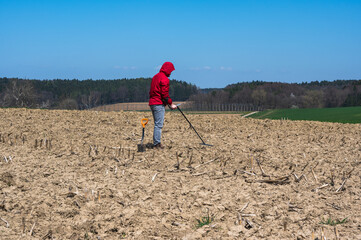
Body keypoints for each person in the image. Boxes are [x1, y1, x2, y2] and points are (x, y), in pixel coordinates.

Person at [149, 62, 177, 149]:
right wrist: (171, 104)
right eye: (171, 71)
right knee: (159, 125)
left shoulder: (155, 76)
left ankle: (156, 143)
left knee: (157, 123)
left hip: (152, 103)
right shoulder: (164, 79)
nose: (171, 73)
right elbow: (164, 95)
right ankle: (157, 144)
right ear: (167, 70)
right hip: (158, 104)